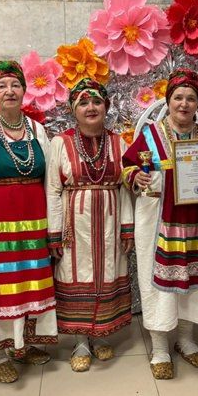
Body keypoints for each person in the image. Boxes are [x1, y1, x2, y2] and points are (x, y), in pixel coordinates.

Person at [122, 69, 198, 379]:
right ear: (168, 101)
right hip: (157, 223)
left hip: (195, 223)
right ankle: (159, 348)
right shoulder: (151, 135)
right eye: (178, 97)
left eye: (191, 98)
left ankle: (186, 339)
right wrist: (136, 176)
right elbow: (127, 167)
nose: (184, 104)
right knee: (158, 285)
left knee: (193, 282)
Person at [0, 61, 57, 384]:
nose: (9, 91)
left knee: (31, 281)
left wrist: (53, 225)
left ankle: (22, 345)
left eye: (15, 85)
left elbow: (50, 179)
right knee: (0, 285)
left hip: (34, 218)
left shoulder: (37, 129)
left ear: (24, 91)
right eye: (1, 86)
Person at [46, 78, 134, 372]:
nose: (91, 107)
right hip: (75, 226)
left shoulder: (119, 142)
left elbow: (126, 188)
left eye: (96, 101)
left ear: (106, 106)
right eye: (83, 103)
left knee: (108, 272)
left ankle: (102, 334)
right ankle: (81, 341)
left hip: (110, 221)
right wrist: (54, 233)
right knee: (77, 274)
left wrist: (127, 227)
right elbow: (52, 189)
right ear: (73, 110)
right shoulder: (60, 143)